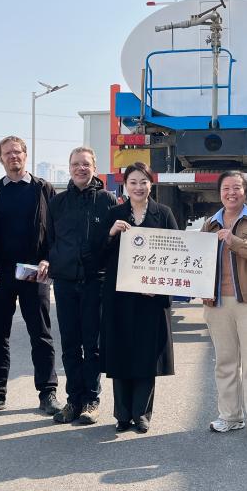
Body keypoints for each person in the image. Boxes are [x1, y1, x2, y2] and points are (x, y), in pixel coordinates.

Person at [0, 136, 62, 417]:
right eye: (7, 153)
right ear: (0, 159)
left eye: (17, 152)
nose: (13, 156)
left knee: (41, 335)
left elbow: (57, 229)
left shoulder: (43, 189)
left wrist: (49, 259)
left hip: (34, 273)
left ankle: (48, 393)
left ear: (26, 155)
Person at [101, 162, 178, 433]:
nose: (138, 187)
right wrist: (110, 234)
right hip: (120, 297)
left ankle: (142, 414)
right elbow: (97, 255)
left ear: (151, 184)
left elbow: (177, 254)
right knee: (121, 353)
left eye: (143, 182)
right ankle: (122, 415)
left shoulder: (163, 213)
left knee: (146, 355)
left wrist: (159, 286)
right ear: (125, 186)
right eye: (133, 182)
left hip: (151, 298)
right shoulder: (114, 214)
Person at [200, 171, 247, 443]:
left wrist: (235, 242)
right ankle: (230, 416)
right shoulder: (209, 224)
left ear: (246, 192)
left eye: (236, 188)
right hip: (217, 303)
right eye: (226, 188)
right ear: (219, 193)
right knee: (225, 363)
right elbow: (197, 261)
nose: (231, 193)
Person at [45, 147, 117, 425]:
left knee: (92, 345)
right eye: (75, 164)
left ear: (94, 167)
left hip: (94, 282)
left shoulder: (107, 200)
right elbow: (50, 239)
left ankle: (91, 400)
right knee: (70, 345)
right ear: (69, 167)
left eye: (85, 164)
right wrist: (53, 262)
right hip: (65, 282)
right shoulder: (58, 202)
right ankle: (73, 400)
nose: (80, 168)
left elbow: (114, 242)